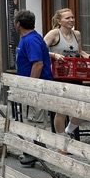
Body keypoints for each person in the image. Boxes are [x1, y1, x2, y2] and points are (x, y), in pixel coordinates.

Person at [44, 7, 90, 138]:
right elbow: (41, 50)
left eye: (72, 17)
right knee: (62, 110)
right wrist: (54, 55)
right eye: (67, 18)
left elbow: (80, 52)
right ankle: (60, 140)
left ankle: (67, 131)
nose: (71, 20)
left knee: (82, 109)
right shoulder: (54, 34)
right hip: (60, 76)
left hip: (76, 76)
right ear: (59, 21)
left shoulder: (77, 34)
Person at [14, 9, 54, 167]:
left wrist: (31, 85)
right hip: (30, 85)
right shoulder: (29, 39)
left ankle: (37, 152)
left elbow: (38, 64)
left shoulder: (31, 40)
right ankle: (31, 151)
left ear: (18, 24)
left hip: (36, 87)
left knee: (35, 119)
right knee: (30, 118)